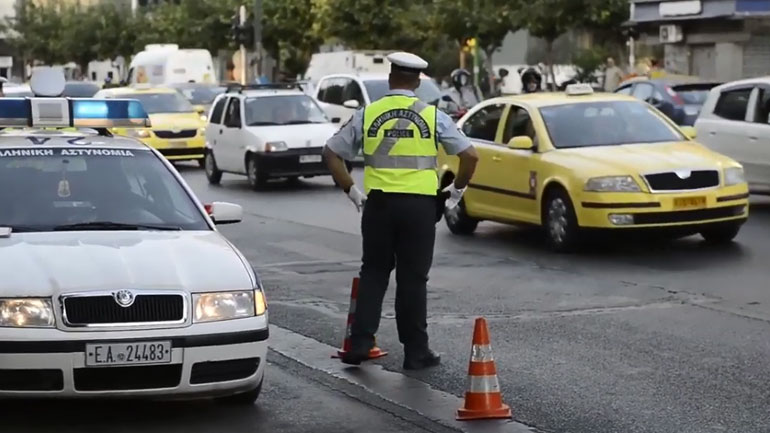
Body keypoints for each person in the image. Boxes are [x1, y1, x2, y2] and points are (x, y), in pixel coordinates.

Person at [323, 52, 479, 370]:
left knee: (374, 273)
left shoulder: (369, 113)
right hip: (419, 207)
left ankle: (360, 344)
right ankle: (415, 352)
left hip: (379, 205)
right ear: (418, 81)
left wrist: (353, 192)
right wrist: (456, 191)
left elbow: (331, 152)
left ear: (390, 78)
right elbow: (470, 156)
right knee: (412, 279)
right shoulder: (432, 115)